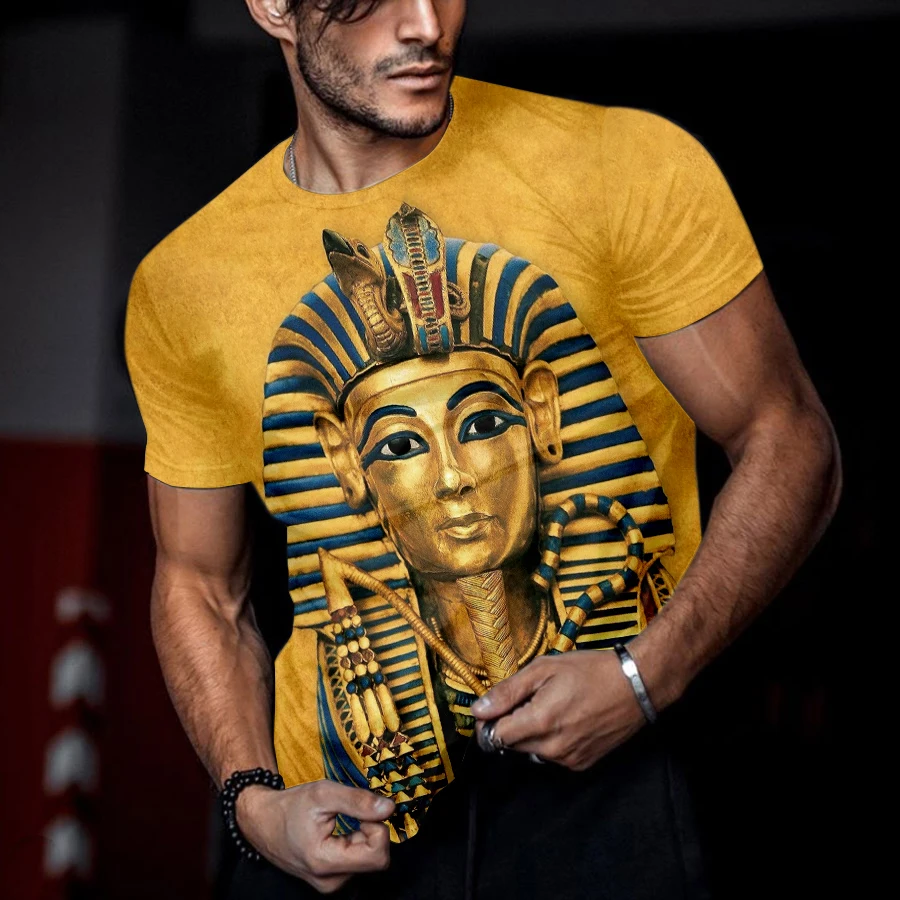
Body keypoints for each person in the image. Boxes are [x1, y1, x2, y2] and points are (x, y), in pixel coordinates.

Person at [124, 1, 841, 897]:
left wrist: (645, 676)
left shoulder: (618, 166)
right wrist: (254, 800)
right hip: (340, 830)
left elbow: (790, 438)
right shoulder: (186, 282)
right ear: (274, 6)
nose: (427, 23)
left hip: (613, 804)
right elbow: (198, 585)